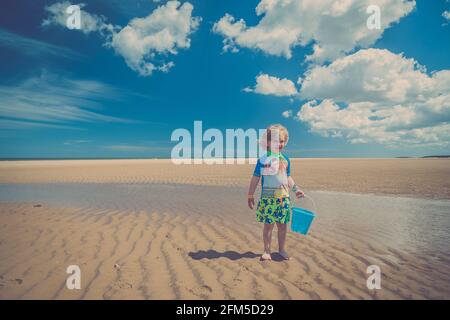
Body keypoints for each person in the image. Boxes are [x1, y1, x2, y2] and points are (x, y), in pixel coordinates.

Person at [247, 124, 304, 261]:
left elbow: (287, 177)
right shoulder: (262, 160)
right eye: (275, 141)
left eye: (282, 141)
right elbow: (255, 178)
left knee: (282, 226)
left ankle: (281, 249)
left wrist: (296, 189)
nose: (279, 144)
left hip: (283, 199)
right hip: (268, 200)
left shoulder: (285, 160)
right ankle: (267, 250)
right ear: (267, 142)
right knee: (268, 226)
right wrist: (250, 194)